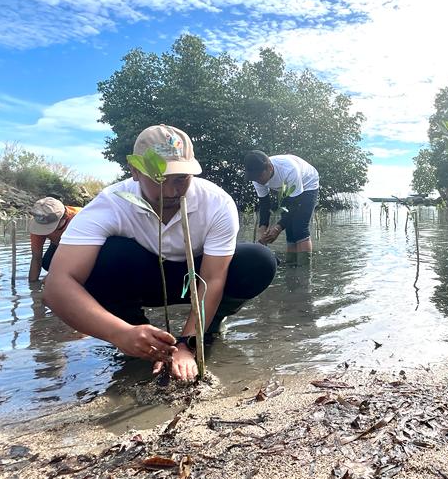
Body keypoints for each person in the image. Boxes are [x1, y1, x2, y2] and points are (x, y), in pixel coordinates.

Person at [43, 125, 277, 381]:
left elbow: (213, 279)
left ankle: (208, 328)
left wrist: (187, 343)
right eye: (159, 179)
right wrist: (119, 333)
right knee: (109, 254)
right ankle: (137, 337)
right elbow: (57, 285)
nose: (171, 192)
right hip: (144, 277)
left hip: (194, 277)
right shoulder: (111, 203)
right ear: (134, 171)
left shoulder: (217, 203)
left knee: (258, 260)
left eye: (180, 179)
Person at [243, 151, 320, 262]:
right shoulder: (256, 177)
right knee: (289, 230)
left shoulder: (289, 169)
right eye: (254, 178)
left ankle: (304, 268)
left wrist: (278, 228)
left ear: (269, 167)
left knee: (299, 228)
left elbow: (295, 204)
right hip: (285, 189)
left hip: (308, 183)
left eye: (259, 176)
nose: (258, 180)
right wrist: (262, 228)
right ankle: (292, 266)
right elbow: (265, 203)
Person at [28, 196, 80, 281]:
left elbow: (79, 256)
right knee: (47, 263)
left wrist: (51, 279)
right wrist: (32, 287)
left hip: (85, 245)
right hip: (58, 242)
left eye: (49, 227)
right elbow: (36, 257)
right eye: (42, 227)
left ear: (64, 217)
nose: (45, 231)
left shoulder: (80, 219)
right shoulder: (40, 220)